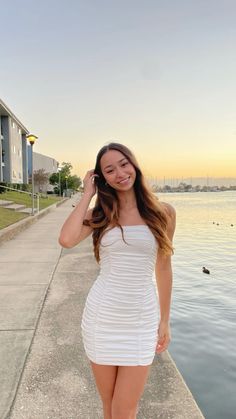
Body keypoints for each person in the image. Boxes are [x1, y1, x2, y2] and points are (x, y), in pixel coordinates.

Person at [58, 142, 176, 419]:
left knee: (125, 409)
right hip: (103, 318)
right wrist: (87, 193)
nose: (120, 173)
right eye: (109, 170)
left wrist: (165, 319)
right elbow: (66, 239)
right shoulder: (100, 215)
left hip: (141, 320)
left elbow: (164, 268)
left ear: (134, 164)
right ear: (102, 178)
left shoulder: (164, 212)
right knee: (109, 405)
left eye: (124, 164)